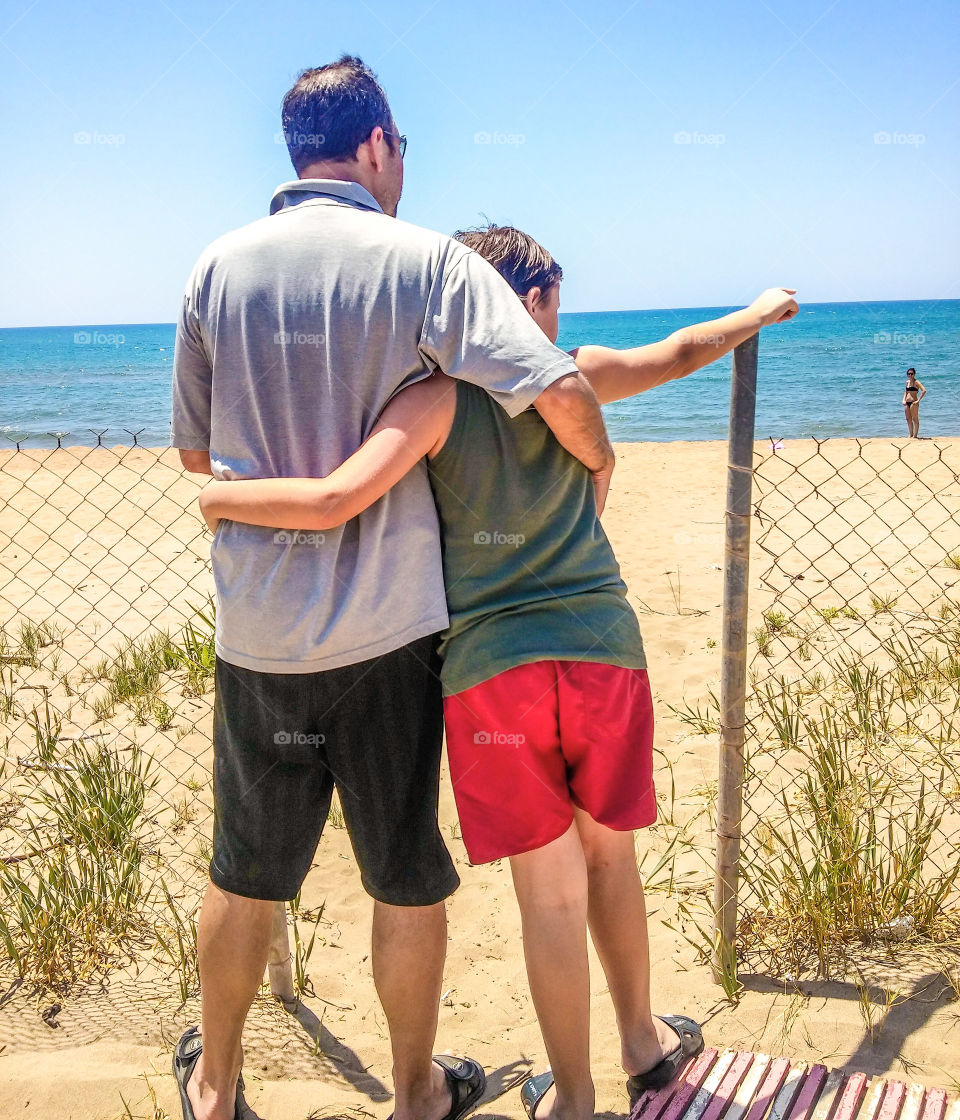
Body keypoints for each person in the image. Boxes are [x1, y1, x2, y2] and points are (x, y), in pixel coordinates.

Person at [198, 224, 798, 1120]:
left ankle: (577, 1099)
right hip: (600, 648)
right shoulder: (575, 373)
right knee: (612, 861)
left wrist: (220, 494)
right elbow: (680, 353)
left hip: (490, 674)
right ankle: (643, 1044)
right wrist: (757, 312)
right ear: (533, 298)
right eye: (554, 291)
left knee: (548, 895)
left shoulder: (435, 398)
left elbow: (338, 499)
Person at [170, 61, 614, 1120]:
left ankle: (218, 1084)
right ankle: (415, 1092)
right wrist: (596, 470)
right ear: (375, 146)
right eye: (402, 144)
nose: (404, 163)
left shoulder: (215, 267)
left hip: (261, 633)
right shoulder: (425, 262)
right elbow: (555, 381)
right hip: (392, 633)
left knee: (243, 872)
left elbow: (198, 459)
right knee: (404, 873)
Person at [903, 367, 926, 437]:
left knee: (915, 418)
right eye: (908, 374)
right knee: (908, 419)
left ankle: (915, 435)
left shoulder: (916, 382)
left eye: (911, 374)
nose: (910, 375)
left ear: (914, 374)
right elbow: (906, 392)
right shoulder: (907, 382)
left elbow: (924, 390)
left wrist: (918, 400)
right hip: (907, 402)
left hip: (914, 402)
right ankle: (911, 434)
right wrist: (903, 400)